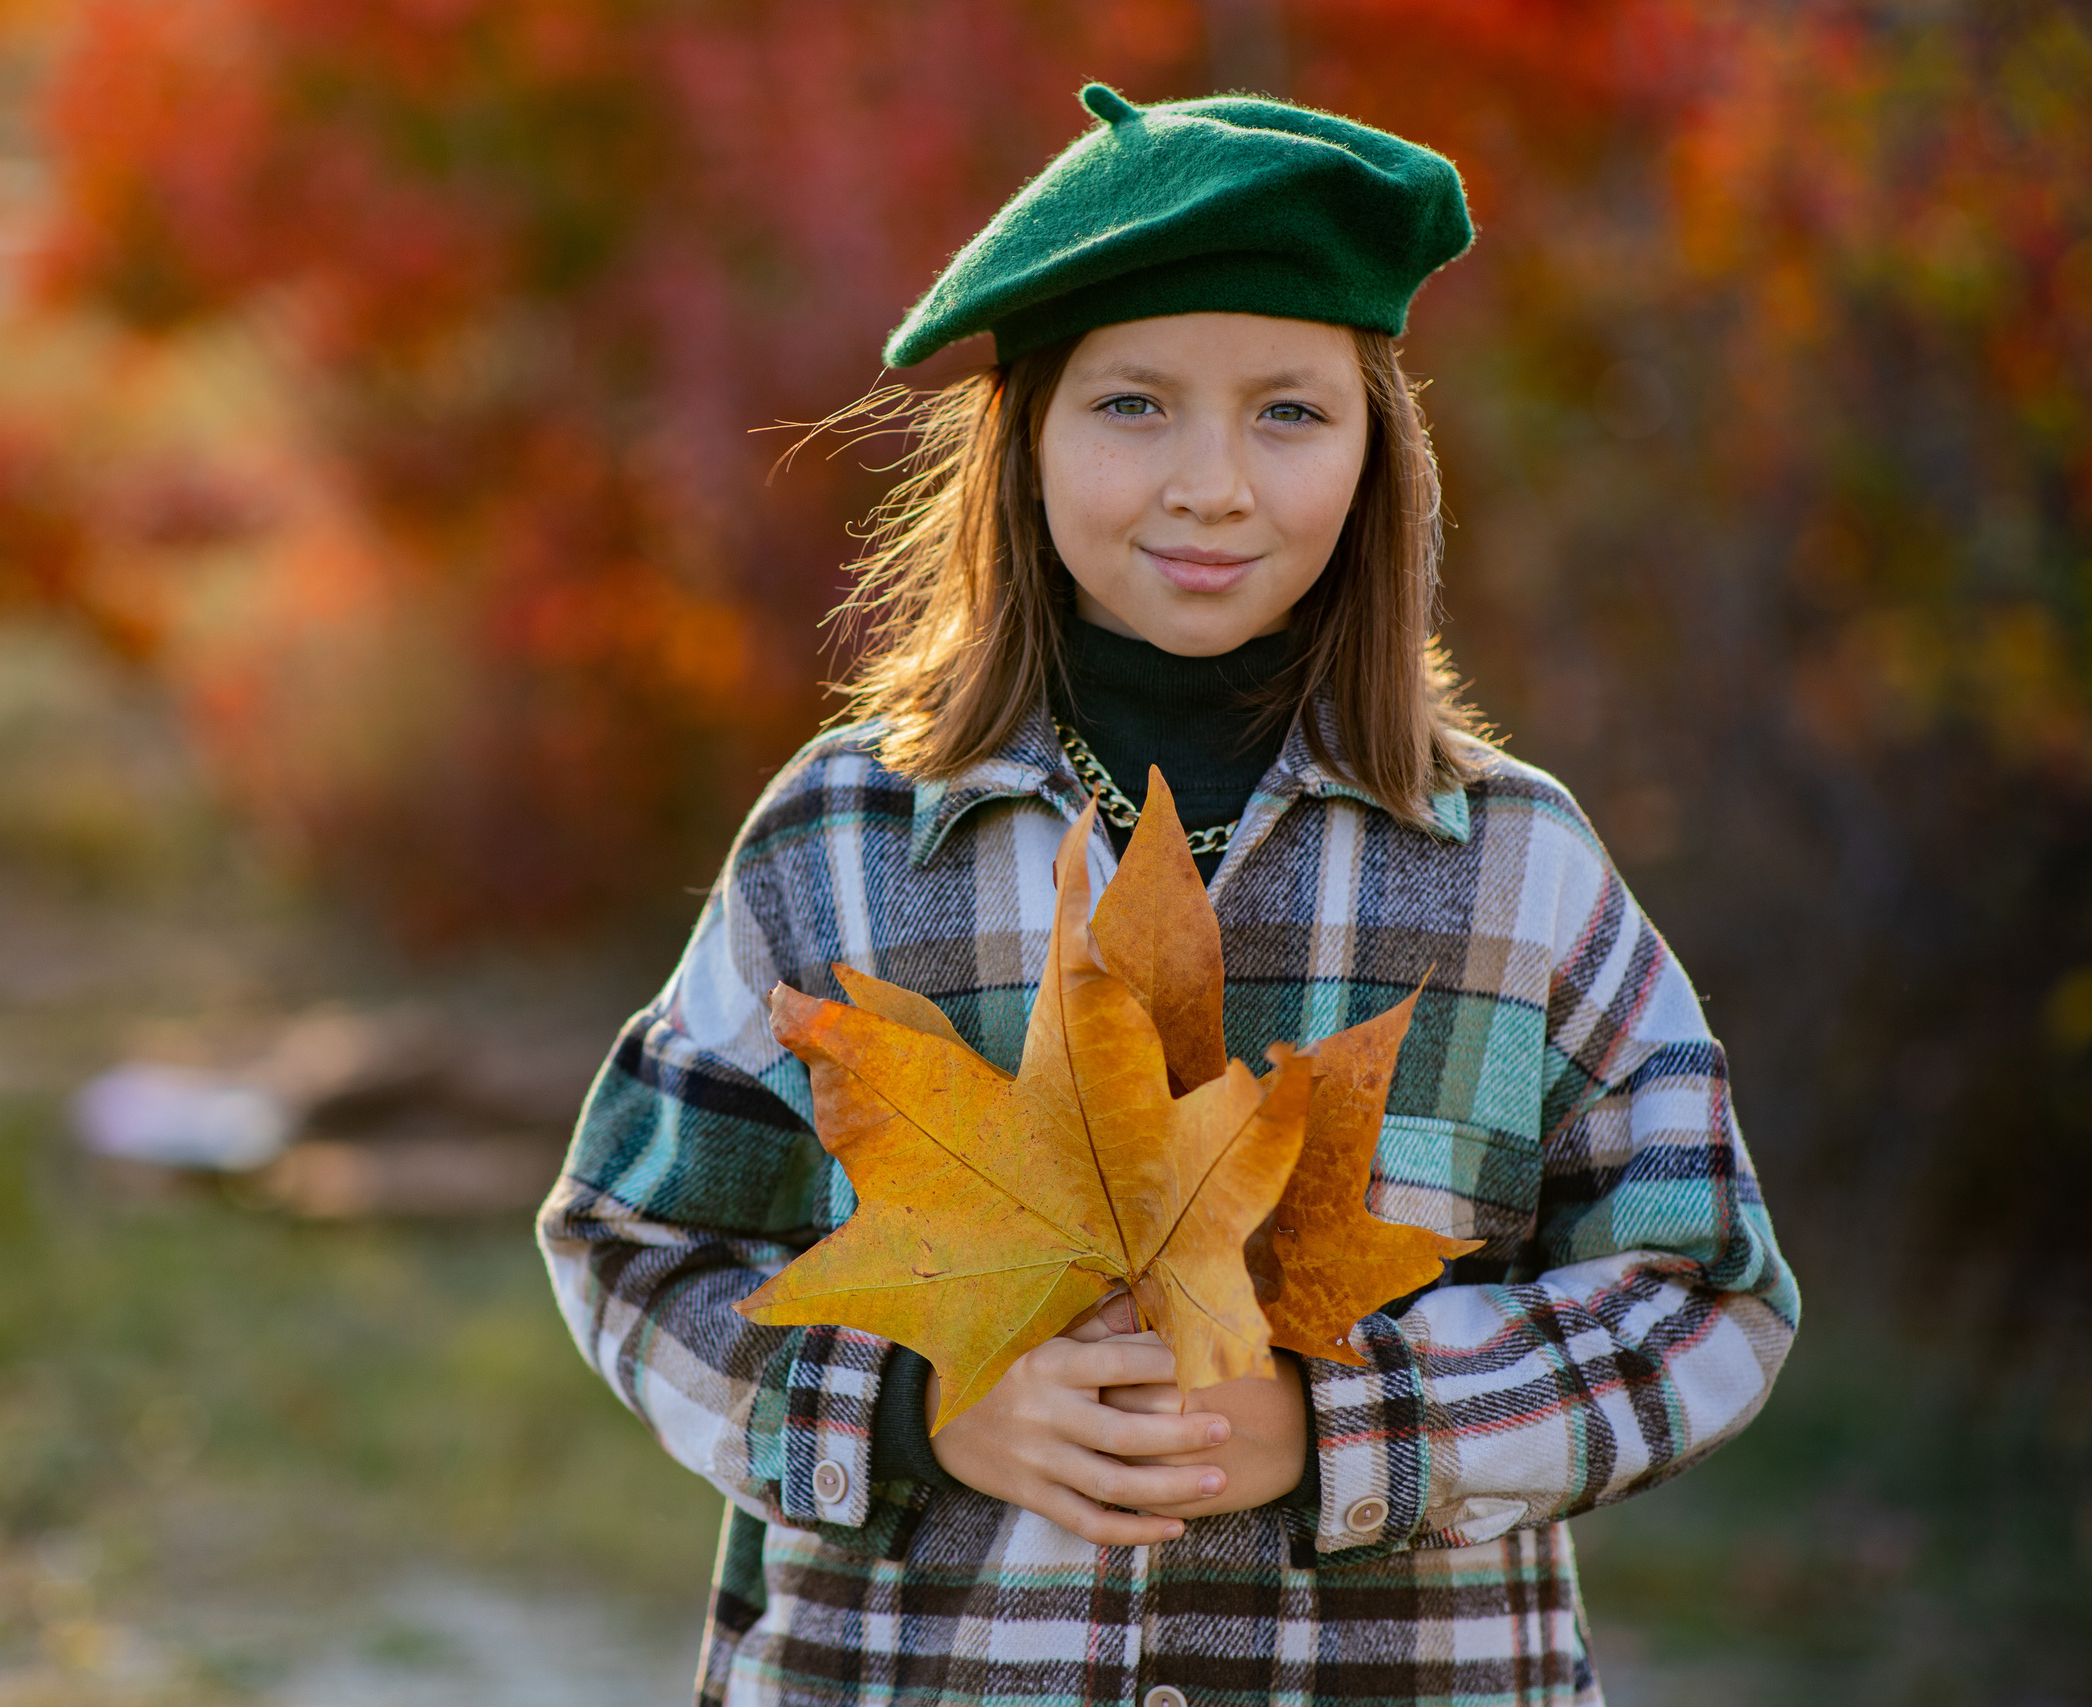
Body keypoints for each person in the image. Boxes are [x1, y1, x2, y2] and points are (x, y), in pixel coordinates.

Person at [538, 84, 1797, 1707]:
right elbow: (632, 1236)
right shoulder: (841, 841)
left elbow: (1705, 1294)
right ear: (1026, 438)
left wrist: (1355, 1427)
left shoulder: (1511, 869)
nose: (1211, 483)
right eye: (1133, 405)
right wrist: (915, 1409)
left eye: (1290, 413)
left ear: (1377, 454)